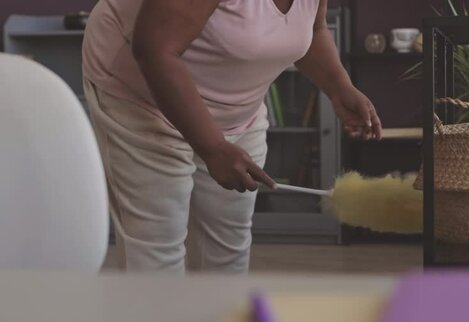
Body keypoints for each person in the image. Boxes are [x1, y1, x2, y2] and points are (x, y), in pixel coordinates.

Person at [82, 0, 383, 272]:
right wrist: (212, 146)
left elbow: (311, 29)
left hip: (238, 110)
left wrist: (339, 86)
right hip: (142, 96)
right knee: (157, 245)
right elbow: (155, 49)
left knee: (227, 244)